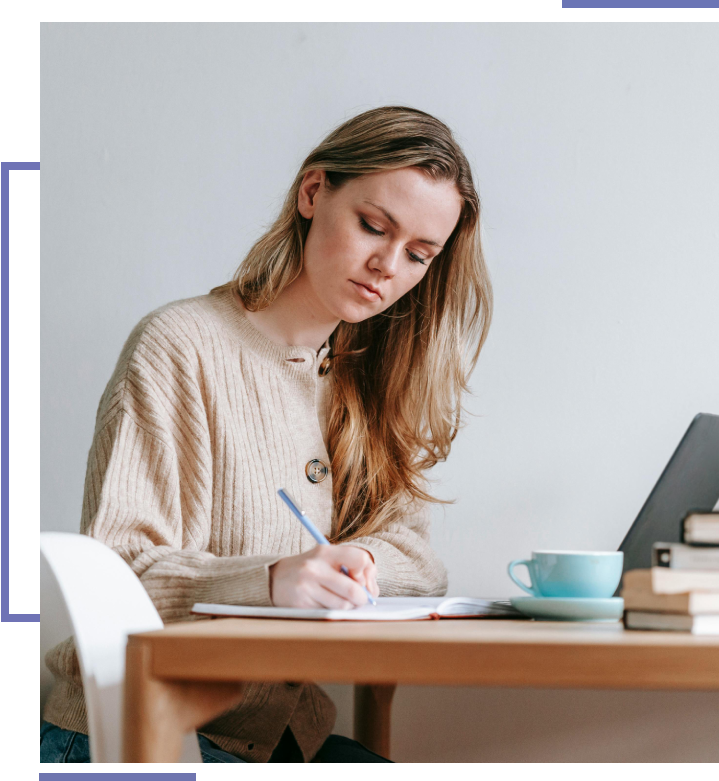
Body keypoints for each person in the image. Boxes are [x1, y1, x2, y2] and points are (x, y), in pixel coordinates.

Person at [40, 105, 493, 763]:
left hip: (279, 737)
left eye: (418, 255)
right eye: (372, 226)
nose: (386, 265)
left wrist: (358, 563)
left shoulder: (364, 381)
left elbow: (417, 559)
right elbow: (119, 570)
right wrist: (271, 580)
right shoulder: (179, 346)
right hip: (130, 731)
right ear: (313, 193)